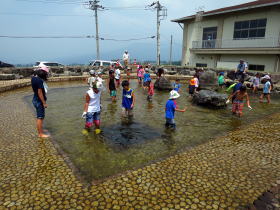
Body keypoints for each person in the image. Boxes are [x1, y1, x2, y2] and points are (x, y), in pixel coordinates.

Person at [31, 66, 50, 138]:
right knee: (40, 117)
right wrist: (44, 103)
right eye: (46, 74)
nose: (47, 75)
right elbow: (40, 93)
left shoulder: (34, 78)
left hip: (35, 99)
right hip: (39, 101)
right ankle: (40, 134)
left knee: (40, 117)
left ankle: (40, 130)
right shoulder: (39, 81)